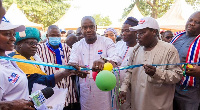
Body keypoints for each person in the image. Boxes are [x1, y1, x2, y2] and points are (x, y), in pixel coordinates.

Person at [119, 17, 182, 110]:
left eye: (142, 33)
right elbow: (129, 71)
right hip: (137, 104)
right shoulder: (136, 49)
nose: (138, 36)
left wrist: (156, 73)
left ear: (154, 32)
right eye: (137, 33)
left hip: (159, 105)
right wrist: (124, 89)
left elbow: (177, 75)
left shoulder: (169, 49)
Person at [69, 16, 121, 110]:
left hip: (105, 89)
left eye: (91, 27)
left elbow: (117, 58)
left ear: (96, 27)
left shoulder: (106, 41)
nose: (88, 30)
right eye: (85, 27)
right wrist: (76, 69)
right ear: (81, 29)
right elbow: (72, 63)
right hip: (86, 90)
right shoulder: (77, 46)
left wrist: (104, 60)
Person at [37, 25, 80, 110]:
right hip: (51, 95)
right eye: (53, 35)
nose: (56, 38)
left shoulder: (66, 48)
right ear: (47, 36)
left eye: (58, 35)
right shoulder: (39, 49)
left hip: (68, 94)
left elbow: (74, 64)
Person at [0, 16, 34, 110]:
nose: (13, 39)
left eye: (13, 34)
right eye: (7, 34)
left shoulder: (8, 60)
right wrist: (11, 106)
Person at [172, 11, 200, 110]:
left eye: (197, 22)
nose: (192, 23)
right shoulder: (177, 36)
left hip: (191, 91)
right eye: (190, 20)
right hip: (171, 86)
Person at [115, 17, 139, 110]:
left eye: (127, 31)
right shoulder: (119, 44)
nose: (123, 33)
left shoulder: (140, 48)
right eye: (122, 31)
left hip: (132, 87)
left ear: (136, 32)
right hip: (116, 86)